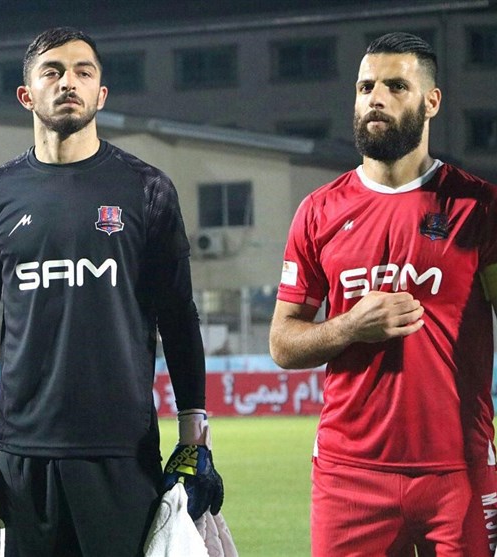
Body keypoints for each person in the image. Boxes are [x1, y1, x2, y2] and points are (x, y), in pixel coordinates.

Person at [0, 27, 224, 557]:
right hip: (23, 455)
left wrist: (193, 435)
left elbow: (179, 317)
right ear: (27, 94)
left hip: (121, 454)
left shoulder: (147, 190)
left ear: (101, 95)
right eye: (52, 71)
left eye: (82, 72)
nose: (68, 82)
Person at [269, 32, 497, 556]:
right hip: (349, 477)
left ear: (431, 101)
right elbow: (282, 344)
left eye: (396, 86)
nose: (376, 98)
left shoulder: (478, 207)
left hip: (458, 472)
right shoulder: (318, 212)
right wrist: (351, 325)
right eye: (365, 86)